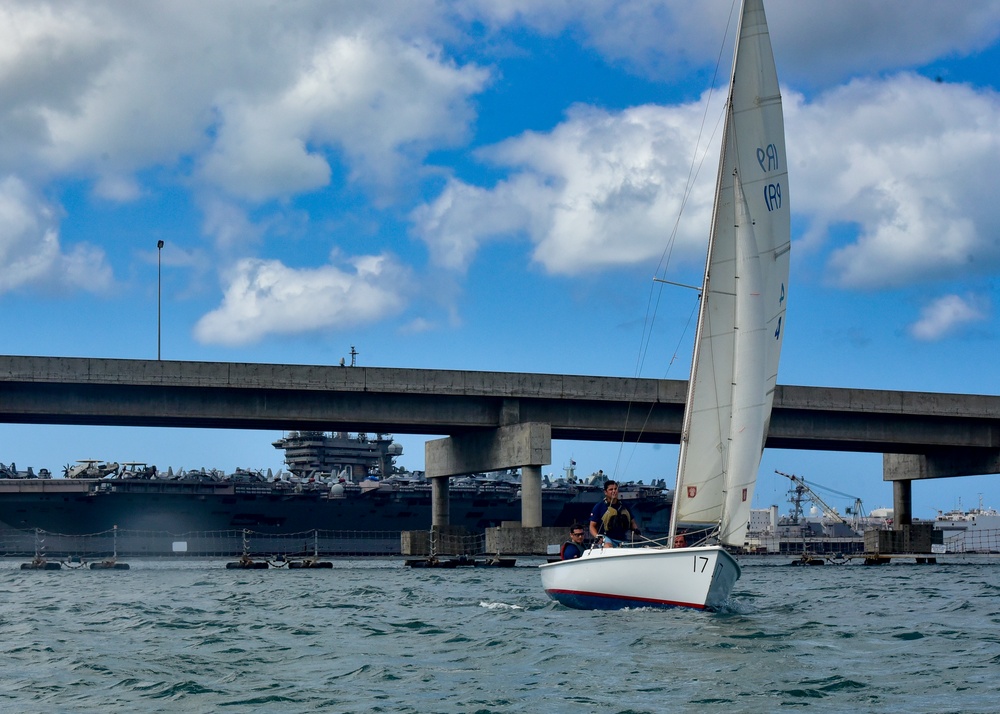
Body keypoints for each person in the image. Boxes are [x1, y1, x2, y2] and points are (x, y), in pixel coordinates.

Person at [589, 480, 640, 546]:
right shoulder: (599, 506)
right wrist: (597, 536)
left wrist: (636, 529)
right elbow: (592, 526)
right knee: (608, 546)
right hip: (606, 538)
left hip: (622, 539)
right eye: (611, 489)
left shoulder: (624, 506)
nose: (614, 491)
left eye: (615, 489)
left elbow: (632, 522)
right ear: (605, 492)